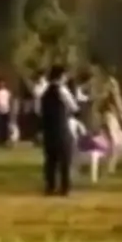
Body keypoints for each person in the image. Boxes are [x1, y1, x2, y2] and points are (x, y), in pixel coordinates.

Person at [39, 65, 79, 196]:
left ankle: (50, 187)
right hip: (62, 128)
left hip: (48, 130)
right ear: (61, 76)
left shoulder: (44, 92)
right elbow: (74, 107)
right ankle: (65, 187)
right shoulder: (62, 91)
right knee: (65, 158)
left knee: (51, 160)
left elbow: (39, 111)